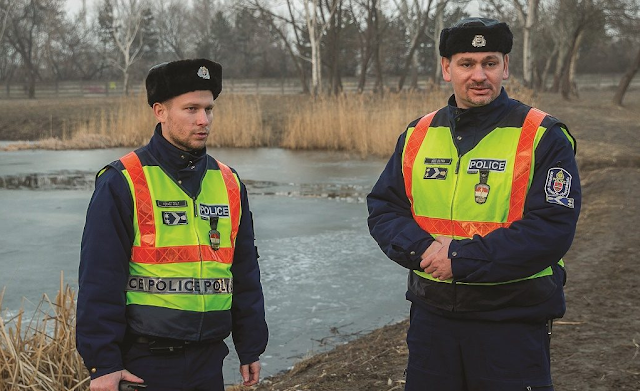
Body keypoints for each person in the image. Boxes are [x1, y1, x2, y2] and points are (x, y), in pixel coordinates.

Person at [367, 18, 580, 391]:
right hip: (432, 320)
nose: (479, 75)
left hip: (511, 321)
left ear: (505, 67)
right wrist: (423, 249)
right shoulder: (418, 134)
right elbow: (384, 208)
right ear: (447, 68)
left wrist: (461, 259)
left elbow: (551, 229)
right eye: (467, 63)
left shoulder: (543, 135)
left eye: (490, 63)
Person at [76, 59, 268, 391]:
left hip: (209, 361)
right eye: (190, 109)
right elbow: (99, 277)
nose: (203, 120)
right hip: (146, 365)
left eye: (208, 109)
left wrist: (250, 345)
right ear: (160, 111)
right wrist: (103, 364)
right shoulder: (123, 181)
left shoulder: (229, 182)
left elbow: (244, 270)